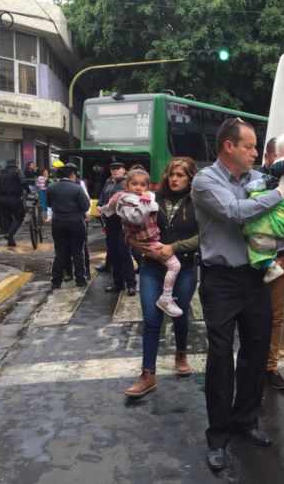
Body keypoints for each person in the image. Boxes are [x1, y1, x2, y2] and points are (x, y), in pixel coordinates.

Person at [191, 117, 284, 471]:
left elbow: (280, 210)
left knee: (256, 350)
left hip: (255, 278)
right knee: (221, 356)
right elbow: (236, 213)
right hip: (221, 280)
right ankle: (218, 435)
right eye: (250, 146)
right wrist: (281, 193)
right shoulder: (206, 181)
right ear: (229, 147)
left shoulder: (256, 179)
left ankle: (246, 421)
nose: (256, 153)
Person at [124, 157, 200, 397]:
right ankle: (148, 375)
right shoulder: (150, 197)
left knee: (179, 313)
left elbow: (204, 236)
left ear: (190, 178)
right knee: (151, 319)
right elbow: (130, 226)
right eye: (172, 174)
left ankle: (181, 353)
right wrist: (134, 242)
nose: (175, 179)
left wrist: (174, 248)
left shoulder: (198, 201)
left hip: (184, 267)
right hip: (151, 267)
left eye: (181, 175)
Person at [101, 168, 183, 316]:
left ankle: (166, 295)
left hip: (151, 238)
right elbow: (137, 219)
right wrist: (146, 202)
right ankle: (166, 297)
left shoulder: (142, 197)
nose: (139, 188)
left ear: (148, 186)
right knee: (175, 265)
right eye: (134, 184)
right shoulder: (126, 200)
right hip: (147, 241)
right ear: (127, 186)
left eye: (142, 185)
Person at [241, 132, 284, 284]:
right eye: (276, 155)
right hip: (253, 256)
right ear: (267, 157)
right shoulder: (257, 177)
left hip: (283, 255)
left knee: (278, 306)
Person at [46, 164, 90, 289]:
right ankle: (80, 279)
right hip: (76, 222)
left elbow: (49, 203)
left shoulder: (51, 187)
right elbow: (85, 206)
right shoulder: (77, 188)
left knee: (59, 252)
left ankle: (56, 281)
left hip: (58, 222)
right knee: (78, 252)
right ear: (72, 175)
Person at [97, 160, 137, 296]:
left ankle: (131, 284)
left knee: (124, 252)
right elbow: (102, 197)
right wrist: (100, 206)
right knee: (113, 251)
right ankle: (118, 283)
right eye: (112, 168)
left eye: (118, 168)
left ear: (124, 169)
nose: (114, 170)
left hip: (124, 221)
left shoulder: (128, 182)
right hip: (110, 220)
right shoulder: (109, 182)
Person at [0, 159, 29, 247]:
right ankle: (10, 234)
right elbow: (24, 182)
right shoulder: (17, 172)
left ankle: (10, 241)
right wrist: (29, 191)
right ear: (15, 164)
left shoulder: (0, 172)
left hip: (2, 199)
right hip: (14, 198)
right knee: (19, 217)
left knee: (7, 219)